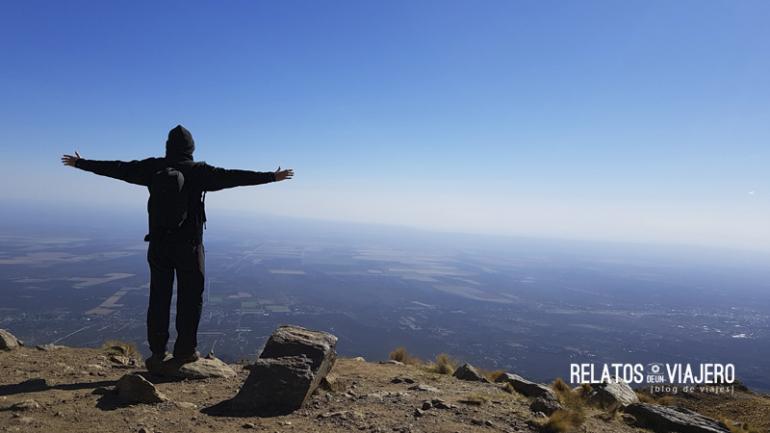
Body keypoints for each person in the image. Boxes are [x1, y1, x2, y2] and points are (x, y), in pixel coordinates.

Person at [61, 125, 293, 369]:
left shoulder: (152, 168)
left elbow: (117, 168)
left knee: (158, 298)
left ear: (168, 146)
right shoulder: (200, 172)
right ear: (191, 148)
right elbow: (234, 176)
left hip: (159, 246)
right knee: (190, 298)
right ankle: (185, 351)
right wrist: (270, 177)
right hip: (189, 247)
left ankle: (157, 352)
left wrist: (81, 163)